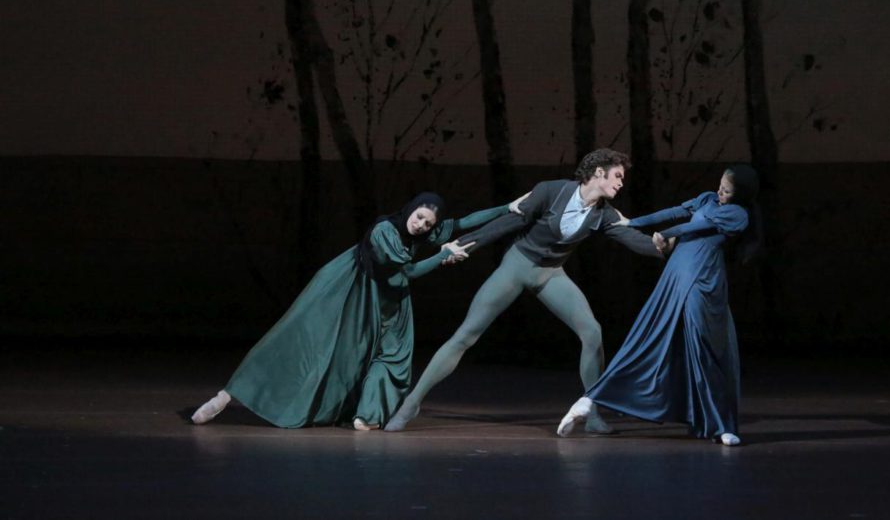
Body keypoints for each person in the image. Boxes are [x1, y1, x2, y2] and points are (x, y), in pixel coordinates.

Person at [384, 149, 666, 433]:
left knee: (592, 331)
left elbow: (633, 239)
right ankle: (411, 404)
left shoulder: (603, 214)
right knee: (465, 335)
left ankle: (592, 413)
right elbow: (510, 221)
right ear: (598, 173)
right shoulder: (551, 192)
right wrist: (466, 244)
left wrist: (666, 244)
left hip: (551, 274)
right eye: (617, 176)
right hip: (517, 267)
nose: (620, 183)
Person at [190, 192, 521, 430]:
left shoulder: (421, 232)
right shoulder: (385, 232)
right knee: (296, 343)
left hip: (387, 301)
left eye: (428, 222)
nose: (421, 225)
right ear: (410, 209)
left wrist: (509, 207)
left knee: (386, 357)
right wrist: (441, 255)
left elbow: (463, 222)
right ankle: (224, 397)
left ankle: (366, 414)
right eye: (419, 217)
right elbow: (407, 272)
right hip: (346, 292)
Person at [556, 165, 760, 446]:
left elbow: (695, 227)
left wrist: (666, 234)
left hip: (703, 278)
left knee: (702, 347)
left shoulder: (738, 214)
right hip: (680, 273)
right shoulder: (707, 199)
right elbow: (675, 212)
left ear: (741, 195)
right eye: (720, 186)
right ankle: (589, 400)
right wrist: (633, 223)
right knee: (652, 337)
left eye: (726, 190)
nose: (719, 192)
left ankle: (719, 424)